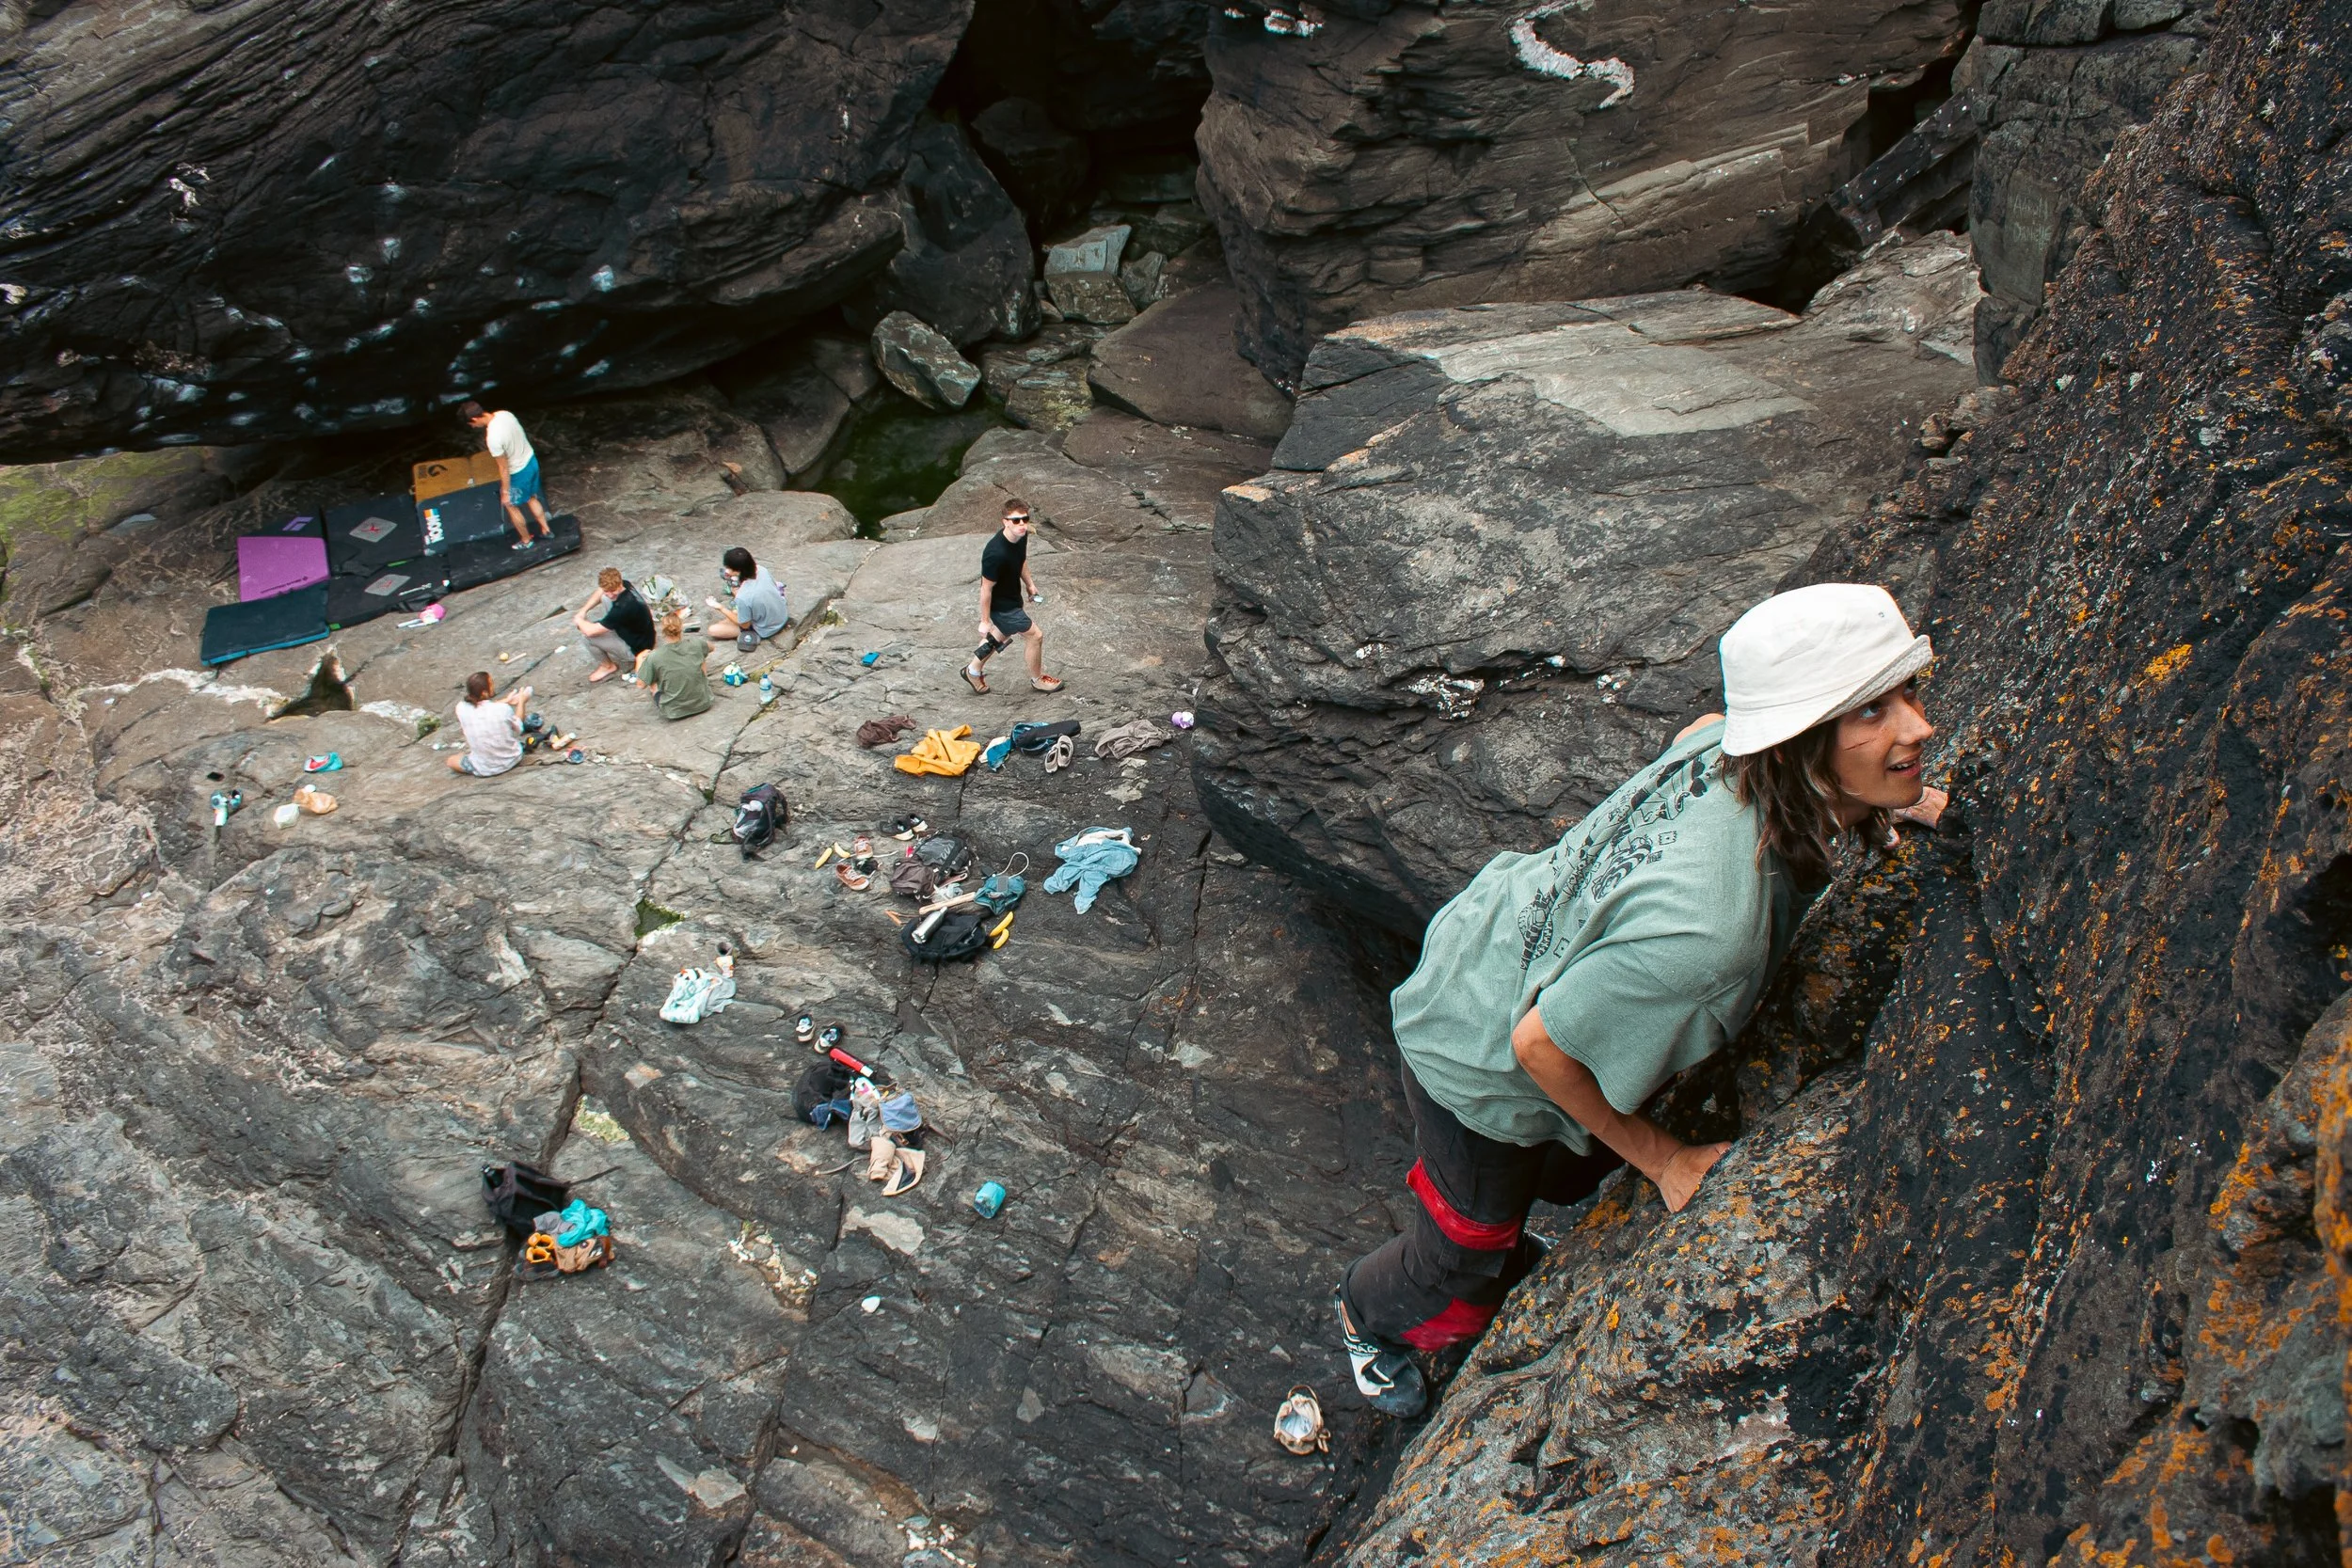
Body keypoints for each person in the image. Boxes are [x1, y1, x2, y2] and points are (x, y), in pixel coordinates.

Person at [1333, 583, 1949, 1418]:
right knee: (1464, 1244)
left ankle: (1505, 1224)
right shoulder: (1711, 934)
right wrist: (1663, 1159)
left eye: (1907, 694)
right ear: (1799, 744)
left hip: (1496, 933)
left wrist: (1884, 806)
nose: (1917, 727)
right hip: (1472, 1055)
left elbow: (1697, 733)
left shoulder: (1740, 745)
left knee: (1562, 1171)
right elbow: (1539, 1047)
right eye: (1871, 711)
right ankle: (1370, 1317)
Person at [961, 499, 1060, 695]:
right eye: (1016, 520)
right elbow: (985, 589)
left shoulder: (1020, 535)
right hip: (1003, 606)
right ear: (1005, 521)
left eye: (1025, 519)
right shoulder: (995, 553)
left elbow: (1021, 560)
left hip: (1013, 597)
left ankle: (972, 670)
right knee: (1035, 636)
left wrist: (1030, 584)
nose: (1022, 524)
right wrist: (984, 621)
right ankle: (1038, 679)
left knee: (999, 635)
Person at [463, 400, 553, 548]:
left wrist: (505, 492)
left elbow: (503, 468)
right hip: (531, 461)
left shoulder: (493, 438)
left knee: (511, 505)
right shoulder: (505, 414)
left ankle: (526, 541)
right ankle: (546, 530)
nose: (474, 427)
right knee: (531, 497)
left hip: (518, 471)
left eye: (472, 425)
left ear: (474, 419)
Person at [572, 567, 656, 685]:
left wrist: (579, 620)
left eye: (613, 590)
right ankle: (611, 630)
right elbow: (601, 591)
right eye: (607, 590)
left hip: (636, 649)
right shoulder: (626, 585)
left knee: (586, 637)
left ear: (619, 584)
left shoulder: (623, 608)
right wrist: (583, 610)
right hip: (642, 634)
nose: (611, 594)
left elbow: (590, 632)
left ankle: (607, 666)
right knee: (604, 598)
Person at [447, 671, 531, 777]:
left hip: (484, 768)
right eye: (491, 684)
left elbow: (482, 709)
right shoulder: (503, 709)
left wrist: (506, 700)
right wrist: (522, 701)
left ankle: (473, 759)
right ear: (484, 693)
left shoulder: (461, 708)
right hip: (512, 759)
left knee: (451, 761)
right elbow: (519, 726)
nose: (493, 685)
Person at [635, 608, 714, 720]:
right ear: (681, 628)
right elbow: (711, 647)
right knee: (701, 656)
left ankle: (659, 691)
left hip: (674, 711)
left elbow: (640, 685)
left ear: (662, 631)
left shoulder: (654, 656)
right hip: (703, 704)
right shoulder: (696, 643)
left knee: (652, 679)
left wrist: (639, 659)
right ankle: (700, 685)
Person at [706, 546, 789, 648]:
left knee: (713, 630)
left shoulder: (743, 597)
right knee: (731, 616)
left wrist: (720, 607)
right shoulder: (762, 570)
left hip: (766, 628)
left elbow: (744, 625)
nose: (727, 571)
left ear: (738, 571)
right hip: (781, 615)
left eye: (728, 568)